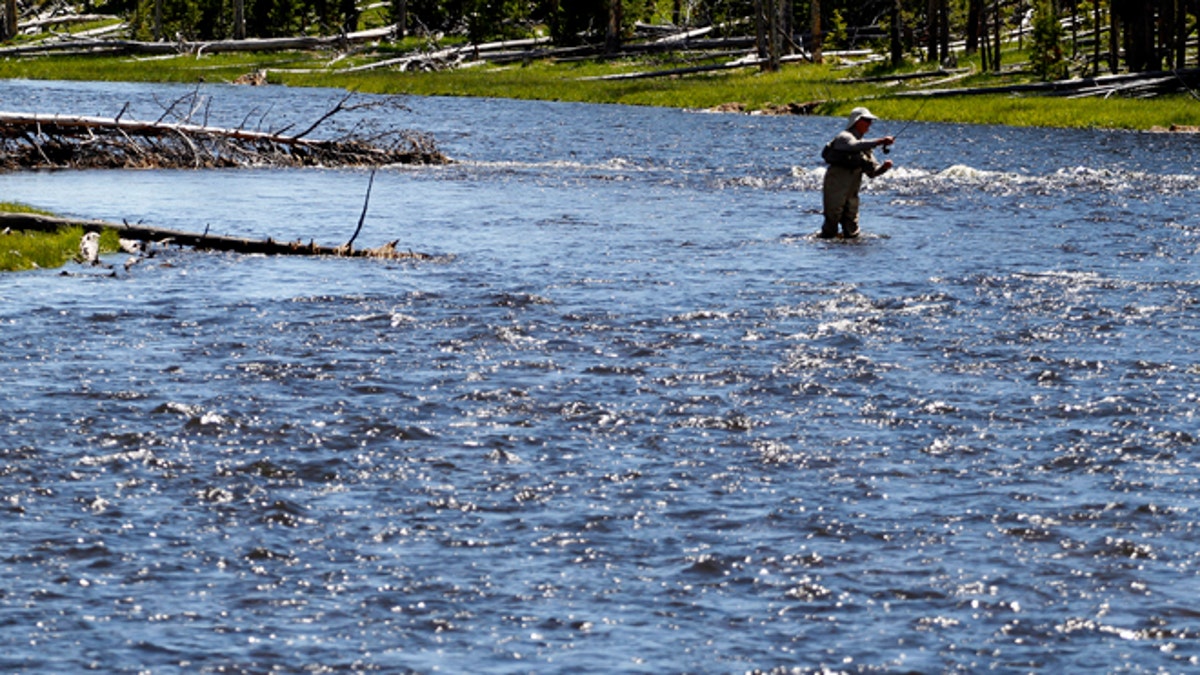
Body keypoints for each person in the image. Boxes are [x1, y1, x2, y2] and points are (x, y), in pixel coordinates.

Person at [820, 107, 895, 239]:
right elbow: (853, 146)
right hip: (835, 186)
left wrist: (884, 167)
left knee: (852, 227)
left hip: (852, 190)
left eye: (870, 121)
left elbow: (872, 173)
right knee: (831, 222)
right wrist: (881, 141)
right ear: (857, 121)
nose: (869, 124)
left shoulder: (866, 148)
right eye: (867, 120)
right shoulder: (844, 137)